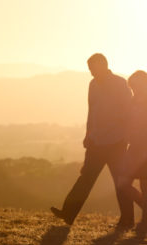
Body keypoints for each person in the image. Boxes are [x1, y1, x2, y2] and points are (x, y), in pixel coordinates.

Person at [51, 53, 134, 228]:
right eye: (89, 70)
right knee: (85, 178)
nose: (91, 73)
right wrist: (88, 134)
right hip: (96, 141)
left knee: (120, 183)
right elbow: (92, 111)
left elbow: (128, 111)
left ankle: (127, 220)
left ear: (104, 65)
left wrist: (125, 137)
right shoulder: (93, 84)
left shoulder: (120, 83)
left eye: (93, 69)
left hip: (116, 142)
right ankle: (68, 213)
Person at [115, 70, 147, 236]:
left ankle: (144, 221)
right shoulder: (135, 101)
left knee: (146, 185)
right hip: (136, 146)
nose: (134, 90)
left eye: (135, 87)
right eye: (132, 88)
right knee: (123, 183)